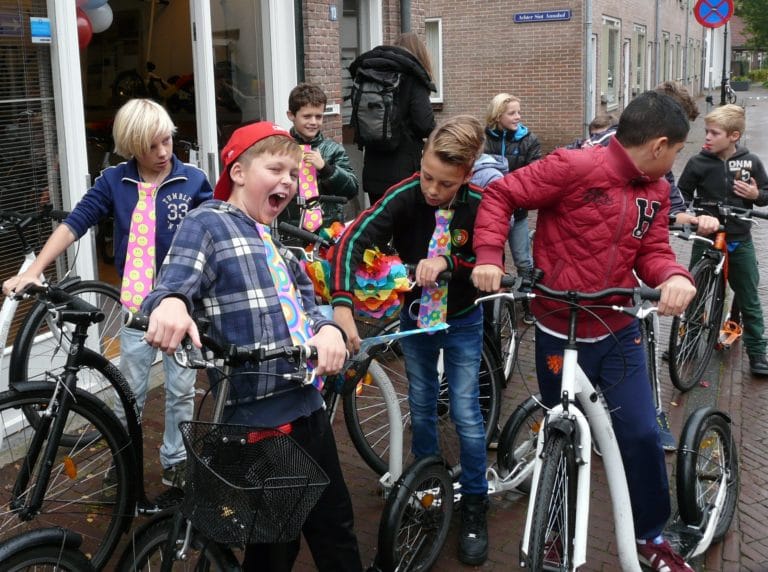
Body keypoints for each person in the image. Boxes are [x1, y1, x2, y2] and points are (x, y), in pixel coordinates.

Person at [471, 91, 697, 572]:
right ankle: (554, 532)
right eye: (677, 150)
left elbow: (652, 250)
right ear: (659, 144)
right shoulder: (572, 165)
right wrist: (491, 257)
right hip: (558, 329)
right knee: (564, 433)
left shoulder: (654, 190)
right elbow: (502, 193)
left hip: (616, 330)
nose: (674, 159)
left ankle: (650, 536)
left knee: (638, 433)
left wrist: (674, 276)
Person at [140, 121, 363, 572]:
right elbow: (171, 285)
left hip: (308, 410)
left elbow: (308, 305)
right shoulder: (208, 222)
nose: (287, 180)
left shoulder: (275, 243)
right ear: (238, 172)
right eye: (276, 168)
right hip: (260, 422)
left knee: (335, 528)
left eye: (293, 174)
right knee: (273, 547)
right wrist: (170, 306)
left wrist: (327, 331)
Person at [2, 98, 212, 487]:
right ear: (132, 146)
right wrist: (33, 270)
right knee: (128, 391)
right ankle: (126, 457)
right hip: (137, 308)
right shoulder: (115, 181)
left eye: (167, 140)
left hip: (183, 307)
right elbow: (75, 223)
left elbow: (214, 235)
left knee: (181, 390)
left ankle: (176, 460)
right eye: (151, 146)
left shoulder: (194, 181)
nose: (163, 152)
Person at [331, 115, 490, 566]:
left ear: (467, 173)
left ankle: (475, 501)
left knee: (465, 412)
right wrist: (343, 302)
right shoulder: (404, 196)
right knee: (420, 403)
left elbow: (487, 256)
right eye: (427, 176)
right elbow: (352, 240)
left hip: (461, 319)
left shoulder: (480, 203)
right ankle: (427, 489)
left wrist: (449, 263)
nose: (432, 190)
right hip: (417, 320)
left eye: (444, 184)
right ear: (420, 159)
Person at [677, 103, 768, 376]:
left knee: (749, 296)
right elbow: (680, 196)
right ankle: (689, 341)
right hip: (707, 239)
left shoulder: (750, 162)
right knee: (696, 293)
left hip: (739, 238)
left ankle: (758, 353)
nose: (706, 137)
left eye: (714, 133)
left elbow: (765, 193)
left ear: (734, 136)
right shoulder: (697, 162)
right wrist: (692, 216)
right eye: (706, 131)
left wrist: (755, 197)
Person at [350, 32, 436, 205]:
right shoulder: (413, 77)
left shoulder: (369, 75)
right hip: (404, 175)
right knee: (405, 230)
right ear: (420, 54)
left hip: (373, 171)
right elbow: (425, 124)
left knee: (379, 225)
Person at [483, 93, 541, 324]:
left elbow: (535, 175)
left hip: (516, 212)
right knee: (493, 259)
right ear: (498, 116)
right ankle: (493, 308)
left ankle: (529, 306)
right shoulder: (484, 139)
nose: (518, 116)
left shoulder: (529, 140)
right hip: (492, 214)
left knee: (523, 260)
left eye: (519, 111)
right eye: (512, 113)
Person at [285, 82, 359, 223]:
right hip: (291, 226)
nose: (313, 122)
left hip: (327, 226)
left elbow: (352, 189)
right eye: (307, 116)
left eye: (318, 116)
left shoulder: (333, 150)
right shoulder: (282, 148)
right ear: (291, 115)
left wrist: (326, 169)